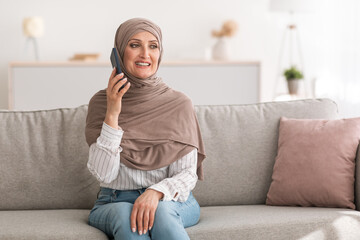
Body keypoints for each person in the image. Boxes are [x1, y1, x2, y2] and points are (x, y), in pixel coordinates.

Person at [85, 18, 206, 240]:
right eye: (134, 45)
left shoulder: (179, 103)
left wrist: (156, 192)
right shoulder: (101, 103)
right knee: (125, 215)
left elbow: (187, 174)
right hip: (113, 201)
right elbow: (104, 174)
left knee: (162, 213)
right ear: (120, 53)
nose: (145, 54)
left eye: (153, 46)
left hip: (170, 199)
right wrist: (113, 112)